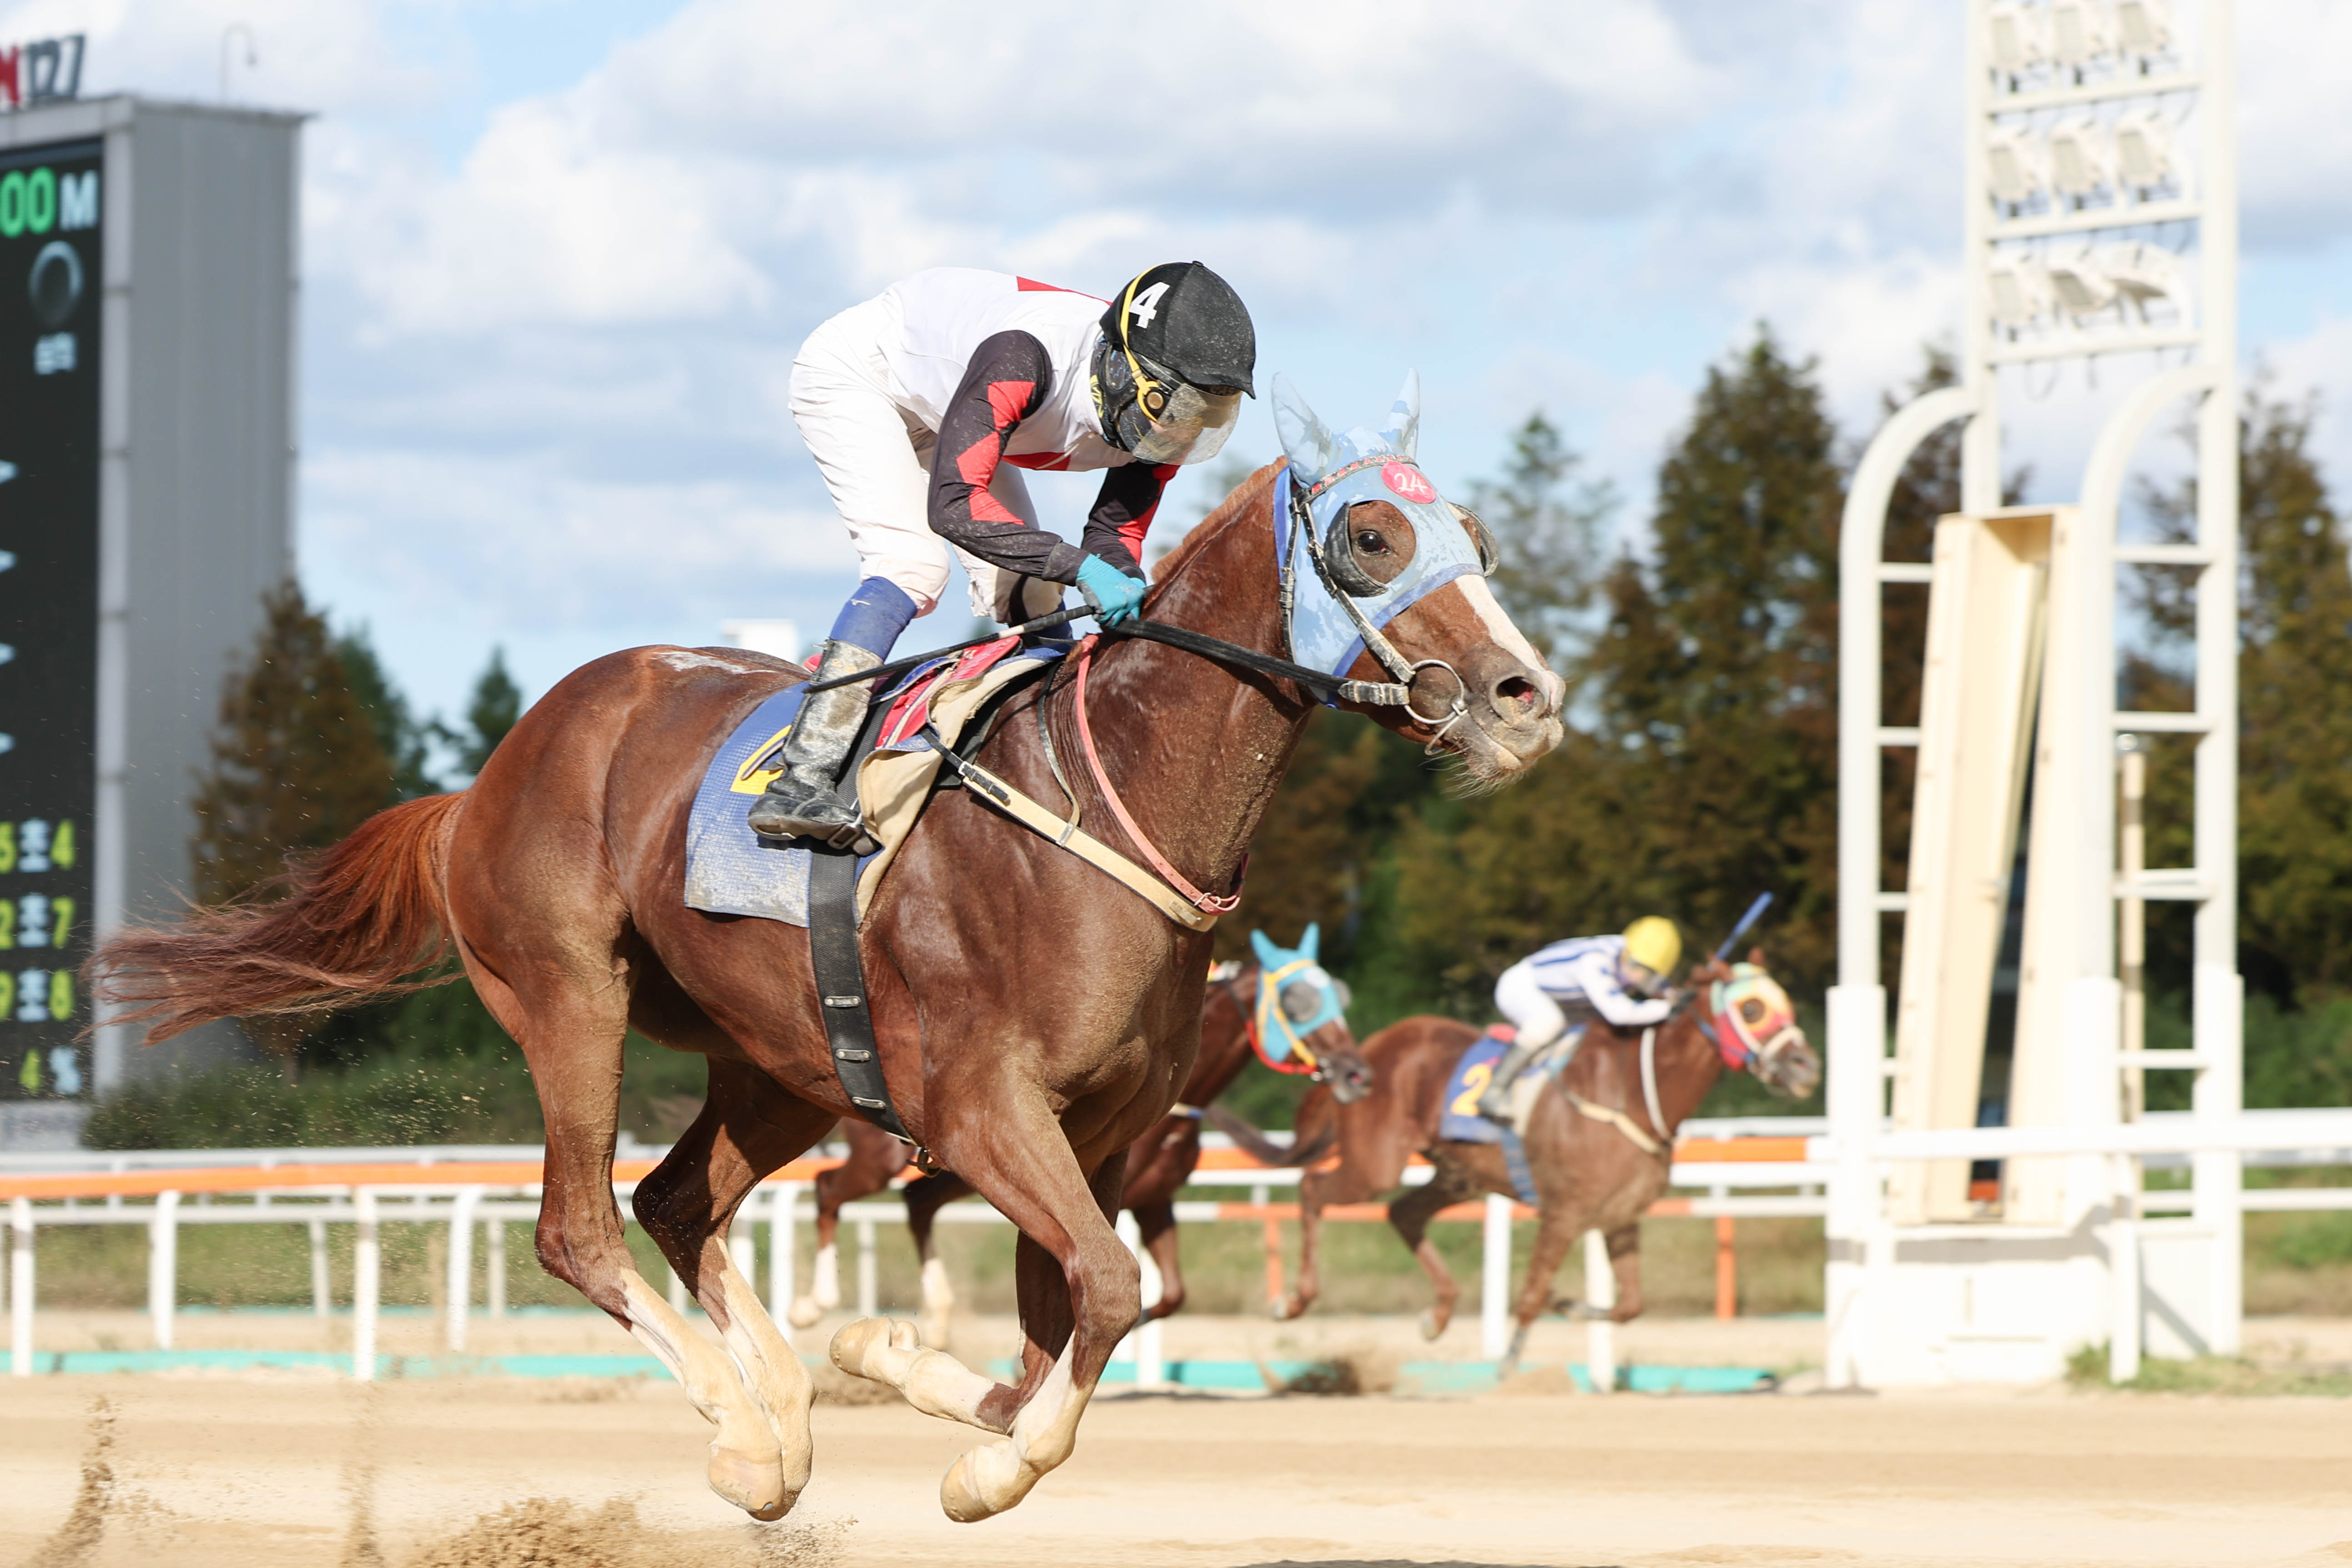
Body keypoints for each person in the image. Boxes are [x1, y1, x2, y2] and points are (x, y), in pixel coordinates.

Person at [747, 262, 1257, 845]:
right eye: (1177, 407)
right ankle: (802, 776)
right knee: (912, 564)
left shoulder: (1164, 414)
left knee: (1033, 589)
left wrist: (1120, 584)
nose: (1181, 431)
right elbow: (954, 507)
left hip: (955, 403)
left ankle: (1050, 766)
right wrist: (1084, 569)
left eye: (1206, 413)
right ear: (1122, 370)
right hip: (865, 377)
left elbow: (1114, 536)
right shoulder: (1024, 357)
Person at [1476, 917, 1682, 1121]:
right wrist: (1667, 1008)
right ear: (1627, 951)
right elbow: (1619, 1013)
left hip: (1562, 1003)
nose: (1638, 977)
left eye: (1648, 972)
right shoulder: (1596, 959)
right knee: (1548, 1023)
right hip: (1522, 986)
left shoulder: (1630, 956)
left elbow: (1662, 990)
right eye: (1636, 966)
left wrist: (1676, 998)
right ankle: (1492, 1092)